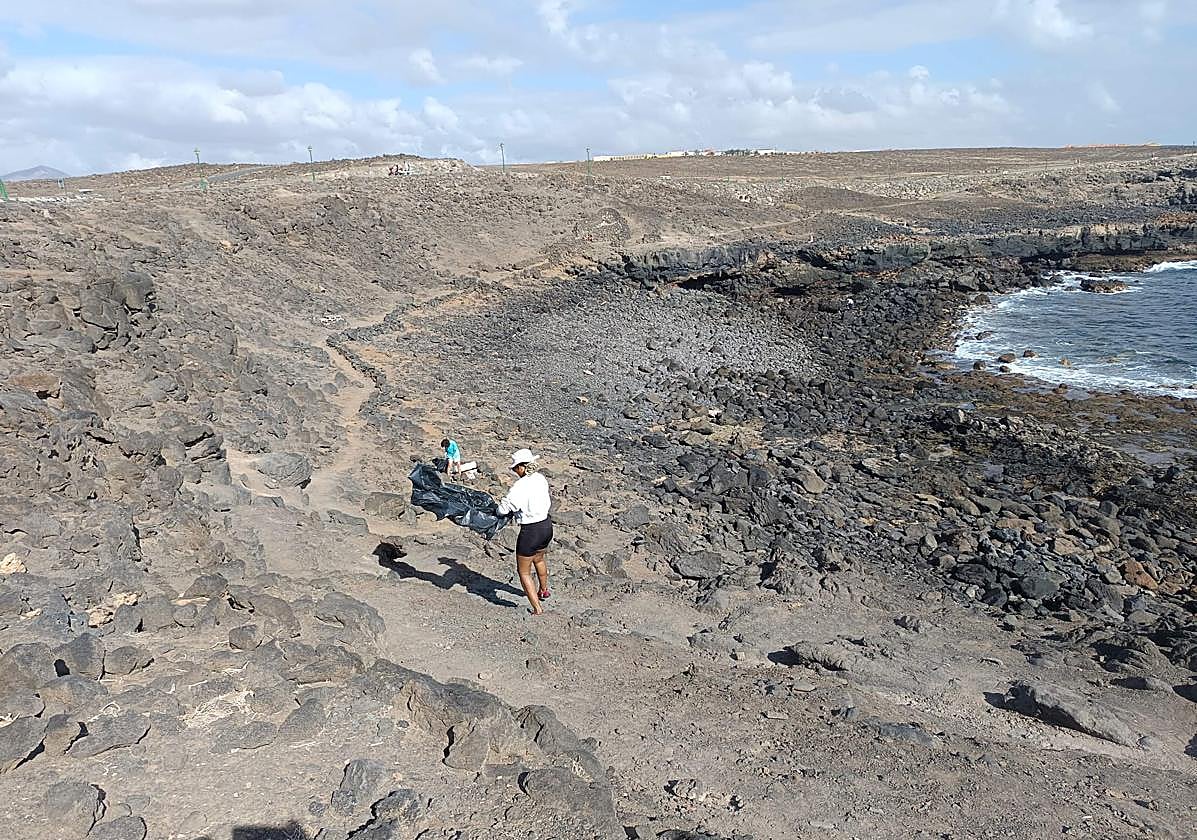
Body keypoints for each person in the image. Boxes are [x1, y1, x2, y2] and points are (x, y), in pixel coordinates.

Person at [497, 448, 553, 615]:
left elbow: (504, 508)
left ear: (521, 467)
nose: (515, 471)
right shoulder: (540, 478)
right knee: (539, 559)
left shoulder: (520, 486)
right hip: (546, 525)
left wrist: (500, 509)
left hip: (530, 530)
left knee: (523, 571)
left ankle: (537, 609)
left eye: (515, 468)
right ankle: (543, 590)